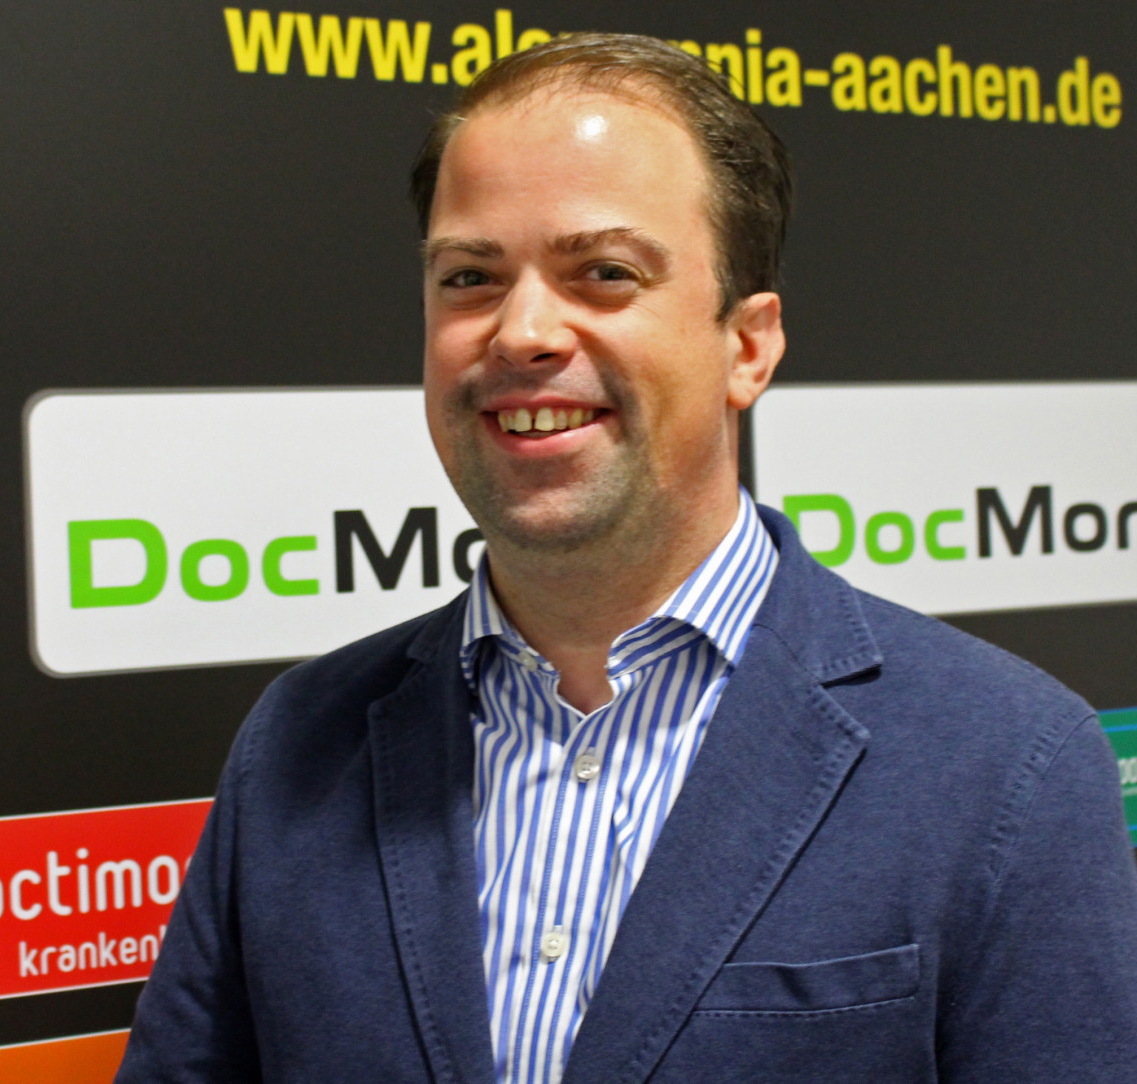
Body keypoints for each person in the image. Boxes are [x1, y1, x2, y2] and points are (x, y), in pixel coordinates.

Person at [117, 32, 1137, 1083]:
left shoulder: (1010, 764)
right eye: (470, 277)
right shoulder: (299, 742)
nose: (522, 331)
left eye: (604, 273)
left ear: (748, 345)